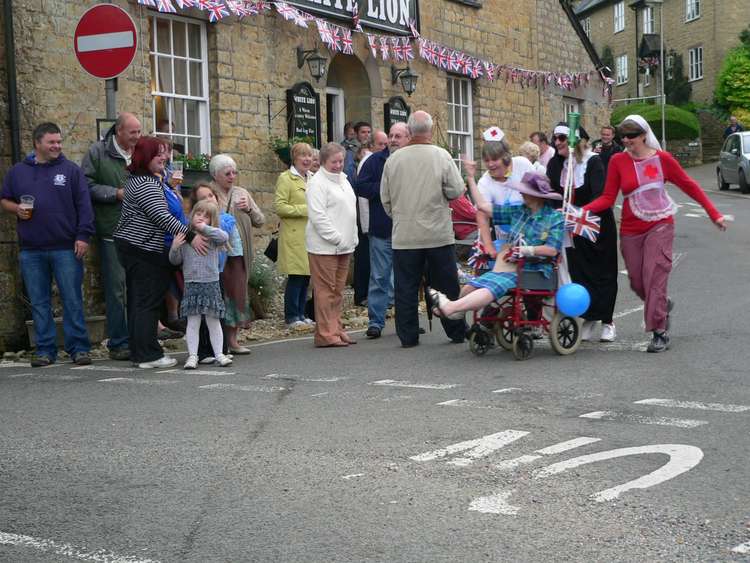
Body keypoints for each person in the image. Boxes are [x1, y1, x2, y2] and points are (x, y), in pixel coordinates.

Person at [583, 115, 728, 353]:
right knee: (638, 282)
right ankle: (661, 304)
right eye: (623, 136)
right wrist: (580, 212)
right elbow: (608, 198)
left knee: (654, 275)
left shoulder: (663, 159)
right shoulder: (618, 161)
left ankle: (659, 332)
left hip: (660, 223)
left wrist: (713, 213)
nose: (627, 140)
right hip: (630, 228)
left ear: (643, 135)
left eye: (631, 136)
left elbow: (689, 185)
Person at [1, 122, 95, 367]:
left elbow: (85, 207)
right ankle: (44, 350)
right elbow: (5, 200)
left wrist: (83, 236)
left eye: (59, 141)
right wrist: (16, 208)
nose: (57, 146)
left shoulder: (71, 171)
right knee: (39, 302)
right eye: (51, 142)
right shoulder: (18, 172)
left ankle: (79, 349)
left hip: (66, 246)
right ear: (37, 143)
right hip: (31, 249)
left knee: (72, 299)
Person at [113, 136, 204, 369]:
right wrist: (192, 236)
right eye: (158, 154)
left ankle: (139, 351)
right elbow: (161, 217)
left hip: (133, 246)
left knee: (138, 301)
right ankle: (148, 355)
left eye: (164, 153)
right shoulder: (146, 184)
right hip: (142, 248)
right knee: (147, 302)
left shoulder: (140, 180)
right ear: (145, 157)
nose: (164, 157)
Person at [428, 169, 564, 320]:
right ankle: (457, 312)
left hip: (534, 269)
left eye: (525, 191)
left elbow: (552, 250)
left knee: (490, 289)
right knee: (470, 286)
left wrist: (526, 250)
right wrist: (471, 178)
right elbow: (483, 207)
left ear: (536, 195)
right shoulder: (519, 211)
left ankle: (450, 307)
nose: (521, 193)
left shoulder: (555, 218)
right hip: (509, 265)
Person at [380, 110, 466, 347]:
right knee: (447, 285)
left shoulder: (393, 160)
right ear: (430, 129)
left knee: (405, 287)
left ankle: (408, 336)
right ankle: (456, 329)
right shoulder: (441, 156)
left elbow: (386, 200)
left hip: (405, 235)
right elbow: (456, 190)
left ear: (409, 131)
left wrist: (401, 217)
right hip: (437, 233)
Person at [548, 123, 618, 342]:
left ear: (575, 141)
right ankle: (588, 316)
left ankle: (607, 320)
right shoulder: (557, 164)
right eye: (555, 138)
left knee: (602, 273)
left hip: (598, 228)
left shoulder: (594, 162)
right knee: (581, 274)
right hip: (572, 229)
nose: (557, 142)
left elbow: (600, 197)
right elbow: (551, 193)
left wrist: (577, 212)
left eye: (561, 138)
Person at [80, 112, 141, 361]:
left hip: (139, 230)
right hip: (111, 230)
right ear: (119, 131)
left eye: (139, 132)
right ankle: (119, 342)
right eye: (132, 132)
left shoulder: (140, 151)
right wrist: (114, 193)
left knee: (138, 287)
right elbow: (84, 185)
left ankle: (140, 338)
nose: (137, 137)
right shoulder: (98, 152)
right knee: (117, 289)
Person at [355, 122, 411, 339]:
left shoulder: (412, 161)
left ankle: (407, 322)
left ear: (408, 138)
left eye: (399, 136)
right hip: (382, 229)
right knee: (379, 277)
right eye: (391, 135)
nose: (394, 139)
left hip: (408, 231)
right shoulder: (374, 161)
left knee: (406, 279)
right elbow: (360, 187)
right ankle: (376, 322)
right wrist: (384, 187)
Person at [210, 154, 265, 354]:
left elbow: (260, 220)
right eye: (227, 173)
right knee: (222, 295)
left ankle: (232, 339)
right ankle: (220, 341)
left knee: (238, 295)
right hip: (218, 252)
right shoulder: (209, 192)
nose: (232, 176)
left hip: (239, 253)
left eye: (234, 172)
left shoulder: (242, 192)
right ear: (215, 175)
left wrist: (249, 209)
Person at [305, 142, 359, 347]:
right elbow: (318, 216)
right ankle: (325, 333)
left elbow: (349, 211)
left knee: (337, 290)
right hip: (324, 247)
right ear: (323, 162)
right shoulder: (317, 183)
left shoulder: (343, 180)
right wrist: (336, 237)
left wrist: (351, 237)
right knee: (325, 290)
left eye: (341, 161)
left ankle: (336, 328)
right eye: (333, 162)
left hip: (344, 245)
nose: (338, 165)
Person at [169, 200, 232, 369]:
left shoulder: (212, 236)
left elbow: (224, 236)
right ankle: (193, 356)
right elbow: (175, 260)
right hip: (192, 284)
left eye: (207, 216)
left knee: (213, 320)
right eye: (198, 214)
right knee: (193, 322)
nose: (201, 218)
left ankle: (219, 354)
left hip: (210, 283)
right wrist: (174, 247)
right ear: (192, 214)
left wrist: (204, 228)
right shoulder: (186, 235)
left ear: (212, 221)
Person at [190, 182, 239, 364]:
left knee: (217, 312)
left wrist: (205, 226)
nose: (209, 199)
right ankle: (203, 351)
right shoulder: (194, 227)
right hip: (198, 275)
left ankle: (220, 349)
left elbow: (222, 234)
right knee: (200, 315)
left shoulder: (223, 219)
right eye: (203, 198)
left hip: (216, 271)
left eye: (211, 195)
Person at [474, 129, 534, 261]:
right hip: (506, 241)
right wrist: (489, 246)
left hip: (533, 234)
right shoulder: (485, 182)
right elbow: (482, 213)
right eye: (486, 160)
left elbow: (539, 194)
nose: (490, 164)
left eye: (495, 159)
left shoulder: (523, 164)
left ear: (505, 156)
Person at [275, 142, 314, 329]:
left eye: (309, 156)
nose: (307, 159)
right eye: (303, 155)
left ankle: (302, 312)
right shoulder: (286, 178)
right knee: (296, 276)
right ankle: (291, 316)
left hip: (309, 234)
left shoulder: (313, 178)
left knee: (307, 276)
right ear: (294, 158)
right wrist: (306, 210)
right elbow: (280, 206)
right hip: (293, 235)